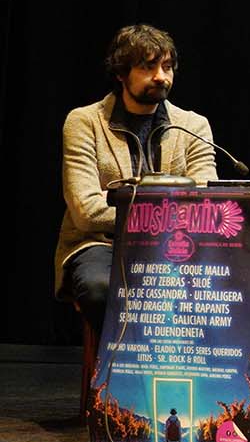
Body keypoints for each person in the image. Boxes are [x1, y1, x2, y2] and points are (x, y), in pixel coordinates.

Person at [56, 24, 218, 334]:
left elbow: (204, 202)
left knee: (228, 288)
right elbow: (86, 212)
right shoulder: (85, 122)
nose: (161, 76)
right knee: (101, 288)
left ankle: (188, 375)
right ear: (120, 73)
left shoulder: (193, 125)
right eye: (148, 67)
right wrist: (163, 212)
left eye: (167, 66)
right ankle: (120, 375)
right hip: (102, 243)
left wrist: (148, 216)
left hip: (176, 245)